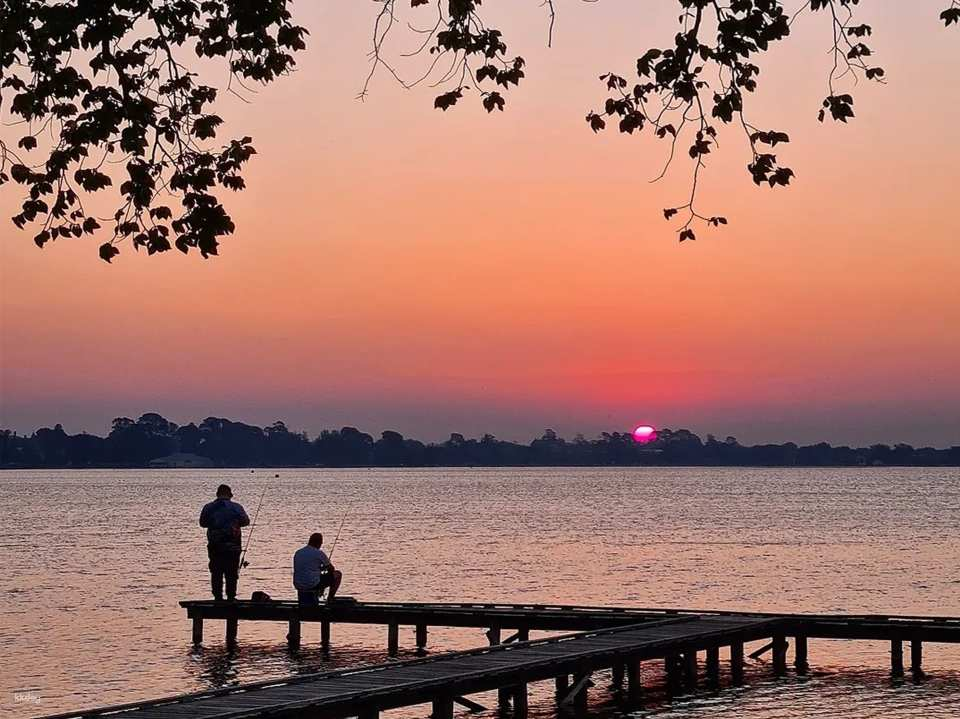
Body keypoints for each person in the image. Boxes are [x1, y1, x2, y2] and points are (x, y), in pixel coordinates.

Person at [199, 484, 250, 601]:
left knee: (216, 571)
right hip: (233, 545)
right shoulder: (236, 507)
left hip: (214, 545)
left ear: (217, 494)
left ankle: (217, 597)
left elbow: (202, 523)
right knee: (231, 572)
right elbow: (246, 521)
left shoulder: (208, 507)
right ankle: (231, 597)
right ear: (230, 494)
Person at [293, 532, 342, 606]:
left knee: (317, 577)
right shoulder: (319, 553)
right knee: (337, 574)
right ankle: (330, 599)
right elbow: (331, 569)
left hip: (298, 584)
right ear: (319, 543)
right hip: (312, 584)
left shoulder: (298, 552)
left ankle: (319, 593)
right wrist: (323, 569)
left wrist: (320, 569)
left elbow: (307, 568)